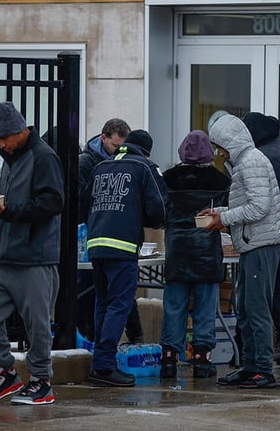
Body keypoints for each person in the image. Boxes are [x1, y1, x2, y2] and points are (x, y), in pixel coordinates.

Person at [0, 101, 64, 405]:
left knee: (37, 324)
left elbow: (53, 203)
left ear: (19, 131)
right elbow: (11, 200)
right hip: (1, 255)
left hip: (34, 257)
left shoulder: (44, 158)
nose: (1, 145)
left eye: (4, 138)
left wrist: (8, 211)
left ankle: (41, 381)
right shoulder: (10, 157)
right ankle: (5, 372)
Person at [203, 113, 280, 389]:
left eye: (220, 146)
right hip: (253, 242)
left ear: (230, 142)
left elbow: (259, 207)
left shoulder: (250, 162)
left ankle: (263, 368)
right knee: (246, 308)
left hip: (261, 244)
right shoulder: (246, 162)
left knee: (256, 308)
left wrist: (223, 219)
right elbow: (252, 204)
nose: (219, 153)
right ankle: (251, 366)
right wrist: (220, 213)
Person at [85, 129, 168, 387]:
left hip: (95, 243)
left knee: (102, 303)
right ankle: (104, 365)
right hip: (123, 246)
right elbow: (159, 210)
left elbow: (83, 202)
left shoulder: (101, 167)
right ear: (145, 151)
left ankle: (100, 361)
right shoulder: (145, 167)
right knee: (120, 304)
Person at [159, 130, 231, 379]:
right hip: (206, 251)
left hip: (177, 250)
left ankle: (168, 359)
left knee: (174, 306)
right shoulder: (220, 180)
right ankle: (202, 359)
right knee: (204, 308)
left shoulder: (168, 178)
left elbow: (160, 213)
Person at [77, 118, 144, 345]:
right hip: (94, 235)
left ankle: (127, 340)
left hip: (108, 238)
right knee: (107, 297)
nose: (119, 151)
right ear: (103, 138)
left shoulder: (121, 162)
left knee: (114, 296)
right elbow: (82, 202)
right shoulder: (88, 162)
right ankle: (99, 345)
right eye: (115, 146)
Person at [242, 111, 280, 365]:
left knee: (264, 297)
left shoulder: (258, 157)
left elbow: (258, 203)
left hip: (266, 234)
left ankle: (260, 356)